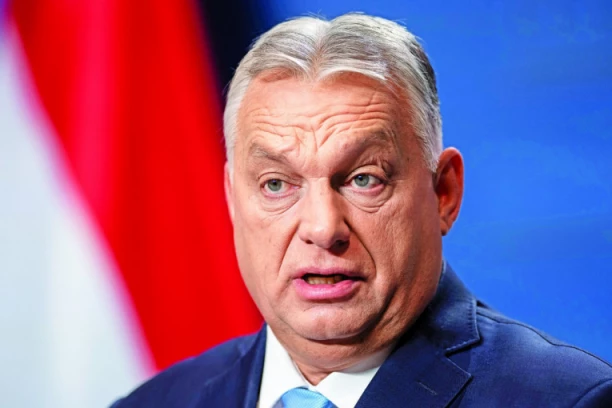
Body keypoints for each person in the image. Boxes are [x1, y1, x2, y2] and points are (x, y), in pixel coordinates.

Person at [112, 13, 612, 407]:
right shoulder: (153, 403)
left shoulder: (569, 400)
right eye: (276, 184)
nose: (322, 227)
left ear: (443, 193)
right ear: (232, 200)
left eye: (364, 179)